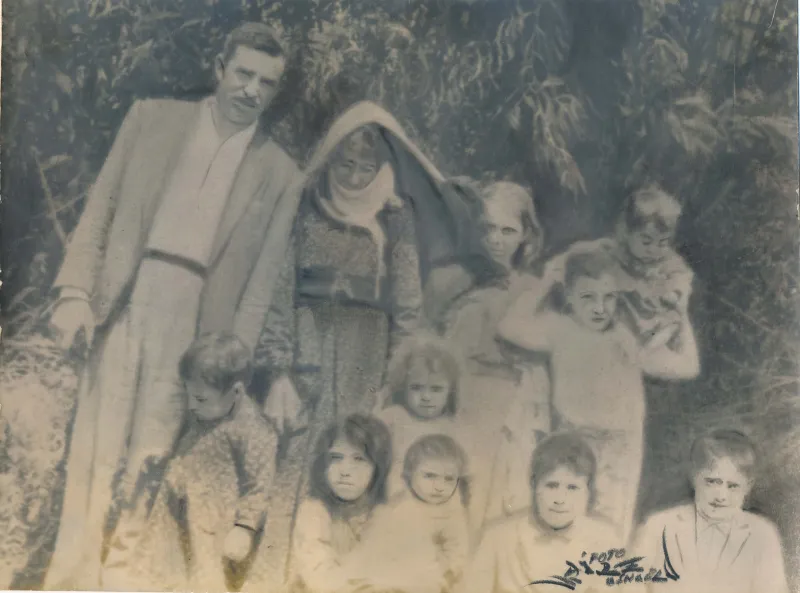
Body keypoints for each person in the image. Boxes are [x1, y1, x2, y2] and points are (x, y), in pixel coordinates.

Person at [45, 23, 300, 589]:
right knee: (96, 445)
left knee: (155, 454)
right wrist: (75, 293)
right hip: (129, 295)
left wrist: (232, 361)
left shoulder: (281, 173)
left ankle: (121, 575)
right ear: (220, 68)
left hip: (198, 326)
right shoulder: (151, 119)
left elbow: (262, 282)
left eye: (266, 82)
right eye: (244, 73)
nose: (252, 90)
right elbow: (102, 206)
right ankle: (70, 577)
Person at [252, 101, 450, 581]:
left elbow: (407, 305)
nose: (357, 176)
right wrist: (278, 371)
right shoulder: (306, 204)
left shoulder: (395, 216)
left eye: (368, 167)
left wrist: (394, 380)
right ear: (330, 157)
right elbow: (278, 287)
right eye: (347, 164)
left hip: (367, 354)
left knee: (355, 463)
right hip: (309, 347)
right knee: (297, 459)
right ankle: (275, 576)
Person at [498, 247, 700, 543]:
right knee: (568, 522)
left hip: (621, 448)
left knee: (613, 527)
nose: (600, 308)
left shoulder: (626, 337)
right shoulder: (559, 329)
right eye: (588, 297)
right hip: (575, 441)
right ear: (569, 296)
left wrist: (681, 315)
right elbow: (509, 326)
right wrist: (548, 280)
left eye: (609, 298)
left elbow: (687, 367)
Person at [101, 333, 278, 592]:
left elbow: (259, 486)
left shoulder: (253, 430)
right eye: (189, 396)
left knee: (203, 575)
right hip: (175, 510)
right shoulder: (206, 410)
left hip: (213, 526)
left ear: (237, 391)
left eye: (200, 399)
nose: (192, 406)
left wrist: (244, 527)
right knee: (160, 568)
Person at [431, 181, 550, 537]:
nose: (495, 240)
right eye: (487, 229)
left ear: (526, 234)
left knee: (494, 500)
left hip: (506, 405)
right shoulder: (449, 279)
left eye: (507, 230)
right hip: (455, 400)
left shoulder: (534, 289)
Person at [633, 429, 789, 593]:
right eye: (712, 482)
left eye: (733, 486)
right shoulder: (658, 526)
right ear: (694, 477)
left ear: (747, 487)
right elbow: (630, 585)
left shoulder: (762, 535)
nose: (721, 496)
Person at [462, 433, 620, 593]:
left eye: (572, 488)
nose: (560, 499)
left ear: (588, 491)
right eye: (551, 486)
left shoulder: (604, 541)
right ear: (534, 485)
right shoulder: (497, 539)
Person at [546, 184, 695, 350]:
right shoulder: (617, 251)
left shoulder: (668, 261)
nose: (654, 250)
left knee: (673, 321)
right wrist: (559, 263)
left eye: (663, 243)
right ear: (627, 233)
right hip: (624, 311)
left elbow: (682, 276)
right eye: (646, 242)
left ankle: (651, 348)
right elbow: (587, 251)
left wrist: (673, 293)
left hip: (654, 311)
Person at [278, 414, 392, 593]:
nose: (345, 471)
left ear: (378, 467)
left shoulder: (386, 513)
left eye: (359, 459)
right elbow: (320, 579)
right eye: (336, 458)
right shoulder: (314, 511)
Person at [354, 434, 471, 593]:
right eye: (430, 476)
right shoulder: (397, 504)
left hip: (433, 577)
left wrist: (445, 576)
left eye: (449, 479)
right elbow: (375, 537)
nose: (439, 486)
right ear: (408, 476)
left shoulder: (451, 513)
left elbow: (457, 552)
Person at [374, 333, 462, 498]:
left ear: (450, 391)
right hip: (393, 498)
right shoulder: (393, 418)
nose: (426, 397)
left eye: (436, 389)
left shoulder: (451, 427)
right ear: (403, 387)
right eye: (416, 387)